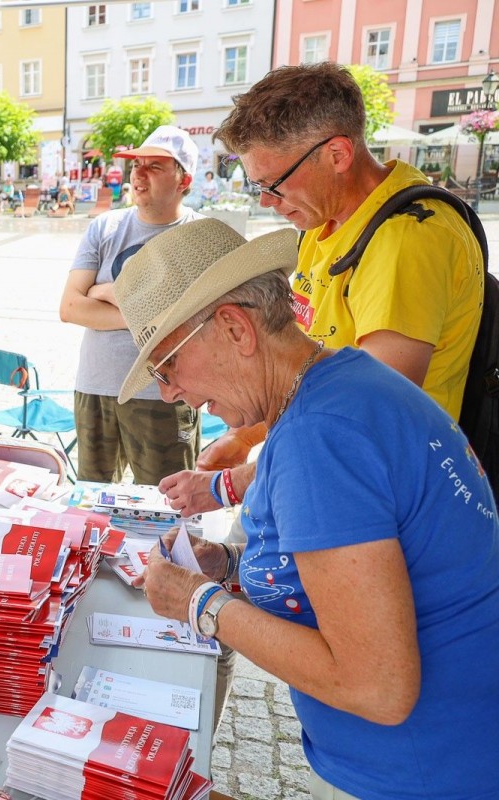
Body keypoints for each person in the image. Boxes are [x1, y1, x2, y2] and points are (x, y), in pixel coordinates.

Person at [114, 217, 499, 800]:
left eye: (167, 368)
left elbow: (379, 688)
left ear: (234, 328)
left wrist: (200, 603)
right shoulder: (338, 387)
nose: (169, 393)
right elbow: (344, 563)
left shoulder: (318, 436)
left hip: (418, 772)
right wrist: (229, 563)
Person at [161, 62, 484, 518]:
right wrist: (249, 433)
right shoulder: (324, 221)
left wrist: (228, 486)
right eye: (257, 186)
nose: (267, 202)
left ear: (337, 154)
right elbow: (307, 364)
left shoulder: (406, 239)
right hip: (343, 477)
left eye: (274, 184)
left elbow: (364, 415)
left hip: (395, 498)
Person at [59, 125, 204, 485]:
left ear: (183, 181)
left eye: (155, 166)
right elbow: (71, 308)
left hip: (166, 392)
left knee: (170, 505)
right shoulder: (105, 227)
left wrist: (105, 290)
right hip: (96, 387)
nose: (138, 174)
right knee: (94, 505)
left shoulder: (202, 237)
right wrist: (147, 315)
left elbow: (191, 319)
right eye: (136, 164)